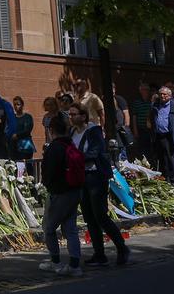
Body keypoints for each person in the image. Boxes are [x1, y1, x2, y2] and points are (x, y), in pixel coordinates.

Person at [71, 106, 128, 266]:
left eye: (74, 114)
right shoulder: (73, 132)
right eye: (70, 114)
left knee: (100, 216)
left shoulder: (93, 130)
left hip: (96, 176)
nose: (71, 117)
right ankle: (99, 254)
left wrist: (74, 158)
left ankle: (122, 248)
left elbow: (95, 152)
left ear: (83, 116)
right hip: (82, 177)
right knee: (89, 217)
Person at [38, 111, 84, 276]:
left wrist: (47, 185)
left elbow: (48, 173)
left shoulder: (54, 148)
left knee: (49, 228)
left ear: (51, 130)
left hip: (59, 193)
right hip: (75, 191)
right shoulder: (70, 145)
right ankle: (74, 266)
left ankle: (55, 262)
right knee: (70, 229)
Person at [150, 84, 174, 184]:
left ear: (169, 96)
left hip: (170, 136)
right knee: (162, 158)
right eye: (160, 94)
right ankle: (165, 178)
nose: (162, 96)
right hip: (159, 136)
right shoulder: (155, 106)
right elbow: (152, 120)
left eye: (165, 94)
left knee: (172, 158)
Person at [130, 83, 154, 161]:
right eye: (144, 90)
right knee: (142, 149)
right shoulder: (137, 102)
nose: (146, 92)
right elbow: (134, 117)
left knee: (151, 148)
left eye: (147, 90)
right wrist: (135, 131)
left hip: (151, 130)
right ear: (140, 91)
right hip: (141, 129)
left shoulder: (152, 102)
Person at [11, 95, 35, 160]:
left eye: (18, 104)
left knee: (27, 166)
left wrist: (17, 135)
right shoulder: (12, 117)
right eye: (14, 104)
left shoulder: (27, 117)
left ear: (22, 105)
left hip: (25, 145)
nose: (16, 106)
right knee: (17, 167)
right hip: (14, 146)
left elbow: (27, 130)